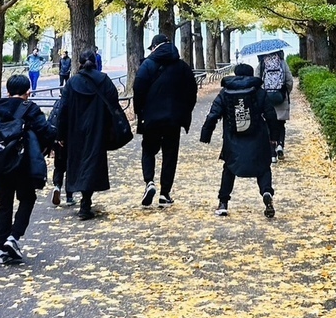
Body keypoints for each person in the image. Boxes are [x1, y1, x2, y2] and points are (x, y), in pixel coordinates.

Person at [0, 74, 55, 265]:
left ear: (8, 92)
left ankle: (1, 250)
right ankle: (14, 237)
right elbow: (46, 130)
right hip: (23, 163)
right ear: (28, 92)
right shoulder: (30, 108)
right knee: (27, 198)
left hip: (0, 163)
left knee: (4, 203)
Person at [200, 63, 278, 219]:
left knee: (229, 168)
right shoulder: (259, 92)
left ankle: (223, 203)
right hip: (258, 137)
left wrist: (206, 134)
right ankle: (266, 191)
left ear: (235, 74)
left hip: (232, 138)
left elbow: (213, 114)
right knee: (263, 166)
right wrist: (274, 137)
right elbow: (271, 115)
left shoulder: (225, 92)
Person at [56, 49, 126, 220]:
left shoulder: (72, 83)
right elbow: (113, 103)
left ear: (79, 62)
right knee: (93, 163)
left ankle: (73, 193)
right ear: (96, 61)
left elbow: (62, 110)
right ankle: (86, 203)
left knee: (77, 162)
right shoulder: (104, 80)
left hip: (75, 130)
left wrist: (60, 134)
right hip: (98, 128)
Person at [133, 33, 198, 208]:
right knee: (170, 155)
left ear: (154, 47)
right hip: (173, 120)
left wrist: (140, 113)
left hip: (151, 119)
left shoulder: (147, 65)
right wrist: (184, 113)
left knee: (148, 150)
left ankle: (149, 182)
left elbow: (138, 90)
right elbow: (192, 92)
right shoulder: (182, 67)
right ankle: (165, 194)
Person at [256, 49, 294, 162]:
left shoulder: (262, 63)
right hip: (280, 97)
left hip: (266, 98)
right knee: (280, 124)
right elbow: (289, 81)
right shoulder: (282, 62)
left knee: (268, 125)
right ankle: (280, 145)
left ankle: (272, 155)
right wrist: (285, 93)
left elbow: (256, 80)